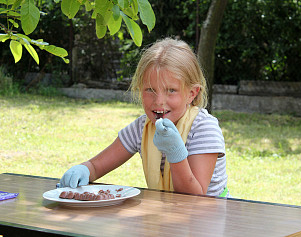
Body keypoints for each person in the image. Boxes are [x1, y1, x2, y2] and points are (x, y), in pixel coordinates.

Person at [60, 37, 230, 197]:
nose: (159, 101)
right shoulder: (142, 127)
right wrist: (83, 170)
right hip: (168, 218)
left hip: (208, 220)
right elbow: (96, 166)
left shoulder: (204, 128)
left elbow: (194, 197)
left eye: (171, 90)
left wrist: (175, 152)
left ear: (191, 93)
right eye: (150, 90)